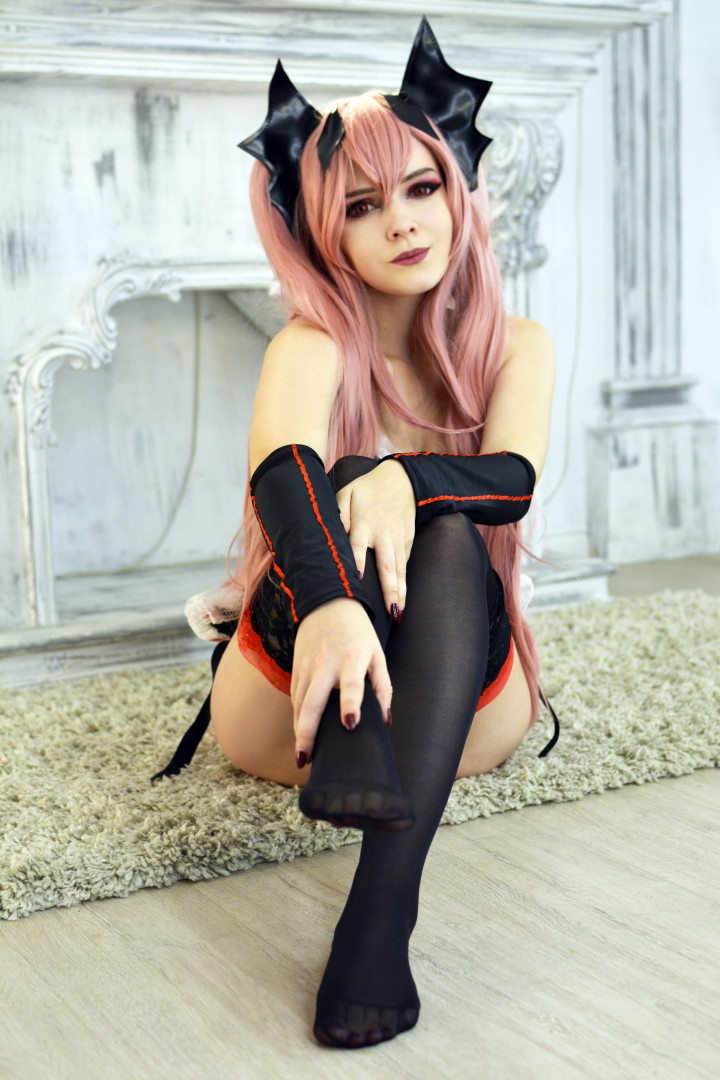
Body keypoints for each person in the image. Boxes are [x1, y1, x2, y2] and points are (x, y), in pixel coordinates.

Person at [155, 17, 557, 1049]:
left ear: (458, 191)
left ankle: (379, 920)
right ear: (324, 232)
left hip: (465, 713)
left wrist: (405, 479)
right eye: (363, 206)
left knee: (447, 521)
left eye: (422, 188)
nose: (404, 224)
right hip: (291, 707)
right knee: (330, 478)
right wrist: (333, 600)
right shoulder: (310, 345)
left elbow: (511, 480)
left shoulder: (517, 344)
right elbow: (280, 472)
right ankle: (353, 733)